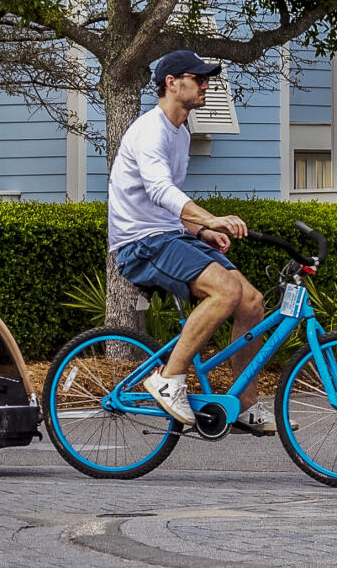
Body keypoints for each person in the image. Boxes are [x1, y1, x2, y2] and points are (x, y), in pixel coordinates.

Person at [106, 48, 269, 430]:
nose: (206, 85)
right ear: (172, 82)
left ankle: (243, 405)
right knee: (226, 291)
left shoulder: (179, 133)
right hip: (140, 243)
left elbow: (164, 206)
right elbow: (161, 190)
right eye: (198, 78)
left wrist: (201, 230)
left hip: (167, 235)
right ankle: (168, 379)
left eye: (206, 79)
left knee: (251, 302)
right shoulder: (150, 130)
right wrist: (210, 217)